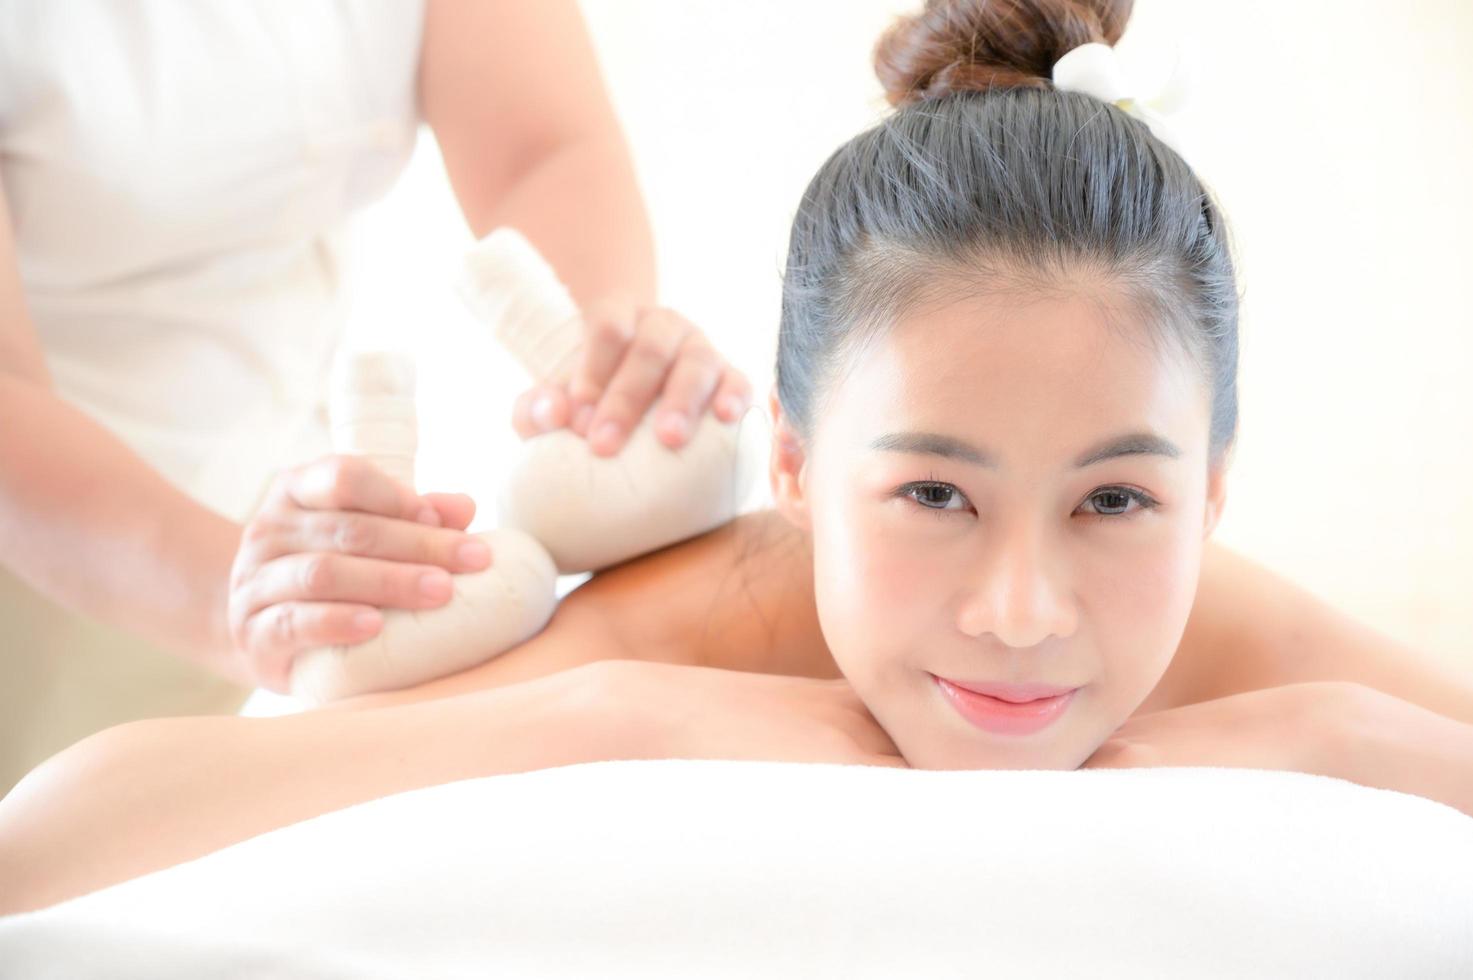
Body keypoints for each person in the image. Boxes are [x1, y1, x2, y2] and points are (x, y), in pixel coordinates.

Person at [4, 0, 1473, 915]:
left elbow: (539, 148)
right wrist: (615, 714)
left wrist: (1350, 742)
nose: (1021, 608)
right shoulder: (708, 616)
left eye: (1115, 498)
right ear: (789, 465)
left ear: (1210, 496)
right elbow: (56, 837)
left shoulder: (1220, 623)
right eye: (931, 494)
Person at [0, 0, 751, 793]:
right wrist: (236, 598)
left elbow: (541, 150)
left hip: (268, 506)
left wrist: (599, 348)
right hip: (54, 533)